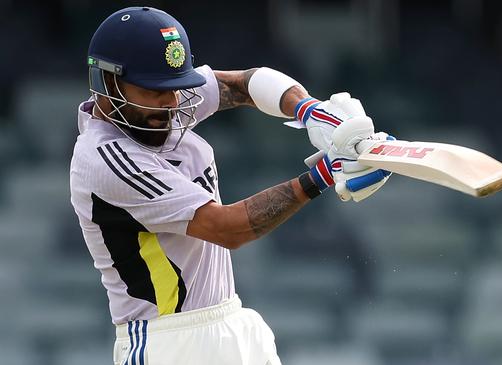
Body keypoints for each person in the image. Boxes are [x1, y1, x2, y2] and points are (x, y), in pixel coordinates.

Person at [70, 6, 391, 365]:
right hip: (166, 343)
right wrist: (324, 175)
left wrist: (310, 111)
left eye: (176, 87)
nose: (172, 102)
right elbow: (229, 229)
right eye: (155, 90)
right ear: (108, 82)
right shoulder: (105, 159)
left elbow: (244, 82)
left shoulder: (154, 109)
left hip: (230, 322)